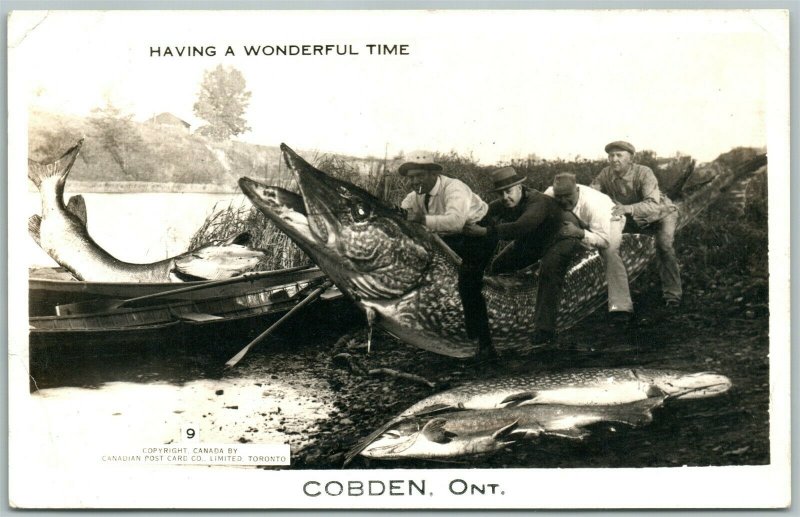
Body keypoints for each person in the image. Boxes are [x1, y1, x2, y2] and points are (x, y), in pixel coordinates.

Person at [464, 167, 582, 346]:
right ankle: (508, 315)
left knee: (549, 271)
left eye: (508, 191)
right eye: (500, 193)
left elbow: (522, 227)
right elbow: (481, 214)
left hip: (562, 236)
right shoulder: (505, 203)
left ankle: (544, 331)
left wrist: (484, 231)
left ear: (520, 187)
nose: (505, 197)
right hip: (534, 241)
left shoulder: (537, 202)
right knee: (499, 266)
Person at [398, 153, 497, 362]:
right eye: (411, 177)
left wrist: (421, 219)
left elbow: (456, 222)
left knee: (468, 282)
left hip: (478, 234)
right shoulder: (417, 194)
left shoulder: (454, 188)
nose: (414, 181)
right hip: (452, 237)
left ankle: (485, 344)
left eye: (419, 176)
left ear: (433, 173)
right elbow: (403, 210)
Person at [591, 141, 682, 309]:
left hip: (661, 214)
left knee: (664, 246)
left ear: (630, 158)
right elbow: (592, 193)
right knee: (610, 244)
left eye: (619, 155)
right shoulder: (605, 174)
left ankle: (673, 294)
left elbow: (653, 204)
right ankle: (619, 295)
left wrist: (627, 208)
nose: (614, 159)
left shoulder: (644, 173)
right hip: (632, 218)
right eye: (611, 155)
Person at [544, 173, 629, 324]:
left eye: (567, 196)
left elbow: (605, 240)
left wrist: (580, 233)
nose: (563, 200)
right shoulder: (550, 194)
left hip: (609, 222)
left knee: (610, 253)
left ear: (577, 190)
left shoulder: (596, 205)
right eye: (559, 196)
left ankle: (620, 306)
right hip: (577, 221)